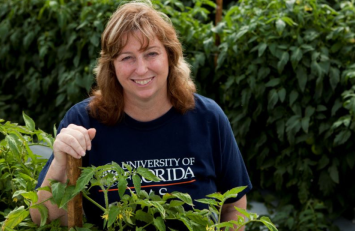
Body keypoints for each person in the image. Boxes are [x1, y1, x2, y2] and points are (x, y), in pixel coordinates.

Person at [30, 1, 252, 230]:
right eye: (127, 57)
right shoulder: (85, 121)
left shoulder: (208, 118)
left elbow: (233, 206)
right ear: (112, 66)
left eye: (151, 53)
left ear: (170, 56)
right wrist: (59, 164)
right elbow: (45, 219)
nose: (142, 69)